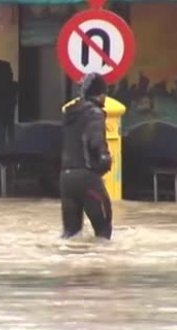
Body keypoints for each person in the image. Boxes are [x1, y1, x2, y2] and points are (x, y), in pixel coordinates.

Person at [60, 73, 113, 240]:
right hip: (87, 177)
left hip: (66, 178)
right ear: (100, 93)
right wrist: (105, 160)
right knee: (103, 231)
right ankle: (101, 265)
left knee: (71, 235)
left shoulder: (70, 114)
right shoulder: (95, 113)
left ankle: (71, 264)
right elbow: (96, 140)